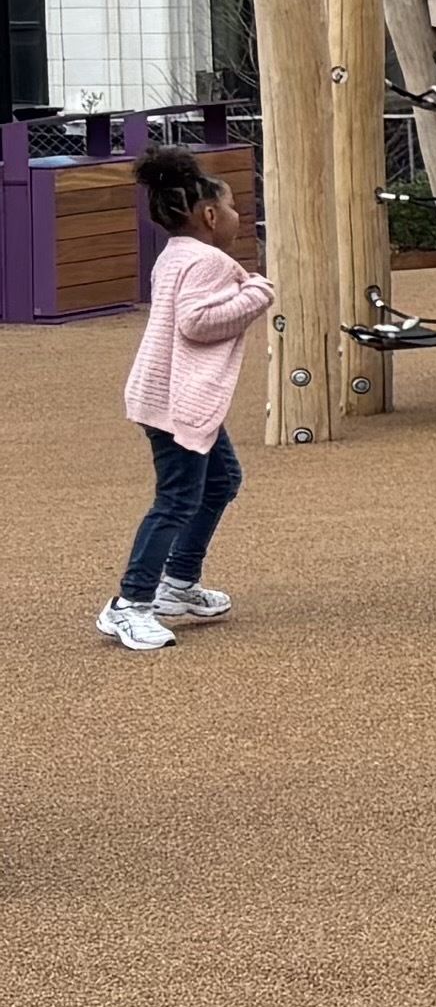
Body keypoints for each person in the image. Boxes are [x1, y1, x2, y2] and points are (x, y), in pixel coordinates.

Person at [101, 146, 273, 651]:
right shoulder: (209, 261)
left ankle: (177, 585)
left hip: (169, 395)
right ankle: (130, 604)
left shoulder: (174, 255)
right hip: (178, 400)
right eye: (236, 206)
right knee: (177, 499)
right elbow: (196, 322)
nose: (241, 216)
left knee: (221, 480)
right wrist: (257, 294)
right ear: (210, 215)